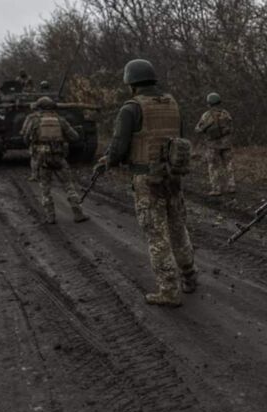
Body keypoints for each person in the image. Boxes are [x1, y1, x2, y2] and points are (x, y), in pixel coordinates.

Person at [94, 59, 198, 306]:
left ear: (131, 83)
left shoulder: (131, 108)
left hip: (147, 179)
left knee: (156, 234)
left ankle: (169, 291)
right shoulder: (172, 103)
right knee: (178, 228)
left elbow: (119, 146)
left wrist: (107, 161)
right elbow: (180, 138)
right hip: (172, 177)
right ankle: (189, 276)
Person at [21, 96, 89, 225]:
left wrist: (35, 145)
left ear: (39, 107)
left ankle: (50, 217)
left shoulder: (33, 120)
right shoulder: (60, 119)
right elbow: (75, 137)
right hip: (58, 157)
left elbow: (25, 138)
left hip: (42, 159)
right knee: (68, 186)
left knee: (45, 189)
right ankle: (78, 214)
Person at [194, 92, 236, 196]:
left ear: (209, 103)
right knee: (228, 164)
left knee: (213, 166)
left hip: (212, 145)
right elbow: (231, 128)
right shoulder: (226, 114)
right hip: (226, 144)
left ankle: (216, 189)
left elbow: (198, 129)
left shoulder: (206, 115)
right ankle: (231, 186)